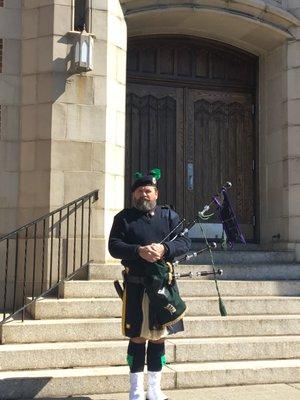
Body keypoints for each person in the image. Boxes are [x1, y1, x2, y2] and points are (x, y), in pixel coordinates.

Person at [108, 170, 191, 400]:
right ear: (133, 194)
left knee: (159, 337)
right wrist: (138, 251)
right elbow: (114, 246)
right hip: (136, 287)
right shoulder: (123, 218)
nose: (144, 195)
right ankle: (135, 390)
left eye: (148, 191)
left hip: (163, 287)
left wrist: (165, 249)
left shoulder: (169, 217)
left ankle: (154, 389)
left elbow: (184, 242)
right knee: (137, 337)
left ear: (156, 193)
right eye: (139, 191)